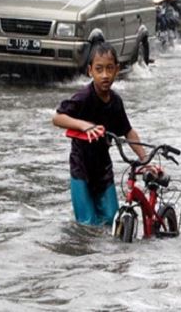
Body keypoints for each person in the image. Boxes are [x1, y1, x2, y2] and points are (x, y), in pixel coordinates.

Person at [52, 42, 151, 226]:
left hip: (104, 171)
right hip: (81, 170)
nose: (104, 75)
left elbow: (128, 131)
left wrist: (144, 160)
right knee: (87, 223)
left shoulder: (116, 102)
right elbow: (58, 118)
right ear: (90, 71)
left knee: (112, 219)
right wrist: (83, 125)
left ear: (116, 70)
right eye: (99, 69)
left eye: (109, 69)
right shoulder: (84, 97)